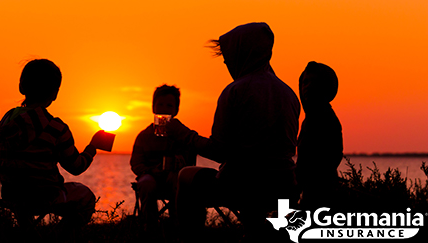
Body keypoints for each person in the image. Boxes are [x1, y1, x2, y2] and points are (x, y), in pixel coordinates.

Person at [165, 22, 300, 242]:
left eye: (229, 58)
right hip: (284, 186)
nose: (227, 64)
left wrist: (184, 134)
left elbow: (219, 151)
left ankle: (189, 240)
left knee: (186, 175)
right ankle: (256, 231)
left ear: (241, 54)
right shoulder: (289, 93)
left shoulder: (235, 91)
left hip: (242, 186)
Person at [0, 59, 107, 227]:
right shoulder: (56, 127)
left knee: (23, 197)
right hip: (45, 197)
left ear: (21, 87)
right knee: (85, 196)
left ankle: (29, 233)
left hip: (11, 195)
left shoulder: (3, 123)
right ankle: (61, 240)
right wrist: (92, 147)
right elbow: (76, 167)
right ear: (55, 93)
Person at [130, 84, 196, 226]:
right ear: (153, 107)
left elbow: (190, 162)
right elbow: (136, 163)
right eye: (160, 104)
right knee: (146, 183)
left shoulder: (182, 135)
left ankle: (178, 224)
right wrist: (150, 171)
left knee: (177, 182)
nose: (164, 109)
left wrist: (180, 163)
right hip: (150, 175)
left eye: (169, 106)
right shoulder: (144, 136)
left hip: (174, 176)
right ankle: (150, 225)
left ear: (176, 110)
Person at [295, 61, 343, 210]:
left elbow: (333, 156)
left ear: (326, 87)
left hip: (321, 196)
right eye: (305, 82)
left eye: (314, 82)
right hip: (313, 192)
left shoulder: (323, 118)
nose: (307, 86)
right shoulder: (311, 117)